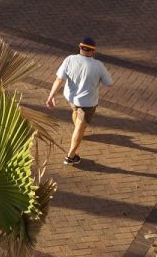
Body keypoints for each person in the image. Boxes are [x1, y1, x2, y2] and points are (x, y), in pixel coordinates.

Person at [46, 36, 113, 165]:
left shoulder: (69, 59)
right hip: (87, 103)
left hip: (71, 99)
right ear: (94, 51)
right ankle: (71, 156)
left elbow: (59, 79)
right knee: (79, 128)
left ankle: (78, 131)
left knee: (76, 113)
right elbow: (109, 83)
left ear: (80, 48)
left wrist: (51, 96)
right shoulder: (98, 65)